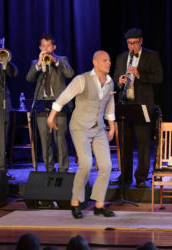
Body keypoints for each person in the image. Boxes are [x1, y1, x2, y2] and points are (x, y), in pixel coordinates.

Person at [47, 50, 115, 219]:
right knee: (85, 163)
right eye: (105, 60)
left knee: (106, 165)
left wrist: (112, 127)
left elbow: (109, 105)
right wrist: (51, 117)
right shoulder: (82, 79)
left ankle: (99, 204)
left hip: (98, 128)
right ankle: (75, 202)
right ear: (95, 62)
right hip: (80, 127)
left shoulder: (109, 82)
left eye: (109, 60)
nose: (109, 63)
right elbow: (64, 97)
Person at [111, 28, 163, 188]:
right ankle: (125, 177)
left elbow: (159, 78)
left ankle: (141, 177)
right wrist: (119, 81)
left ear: (141, 42)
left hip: (142, 105)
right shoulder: (121, 58)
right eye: (129, 43)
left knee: (142, 143)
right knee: (125, 143)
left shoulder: (151, 56)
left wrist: (140, 75)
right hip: (125, 105)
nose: (132, 47)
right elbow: (114, 78)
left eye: (134, 43)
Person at [26, 33, 74, 172]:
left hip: (59, 105)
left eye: (49, 46)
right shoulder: (35, 62)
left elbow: (70, 74)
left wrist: (55, 62)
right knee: (45, 139)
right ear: (40, 47)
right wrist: (39, 64)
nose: (46, 48)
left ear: (54, 47)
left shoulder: (62, 60)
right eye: (44, 46)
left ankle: (63, 169)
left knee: (60, 139)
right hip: (42, 105)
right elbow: (29, 78)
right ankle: (49, 169)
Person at [0, 28, 18, 179]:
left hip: (0, 102)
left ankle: (0, 172)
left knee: (1, 138)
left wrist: (4, 63)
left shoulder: (1, 57)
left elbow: (14, 73)